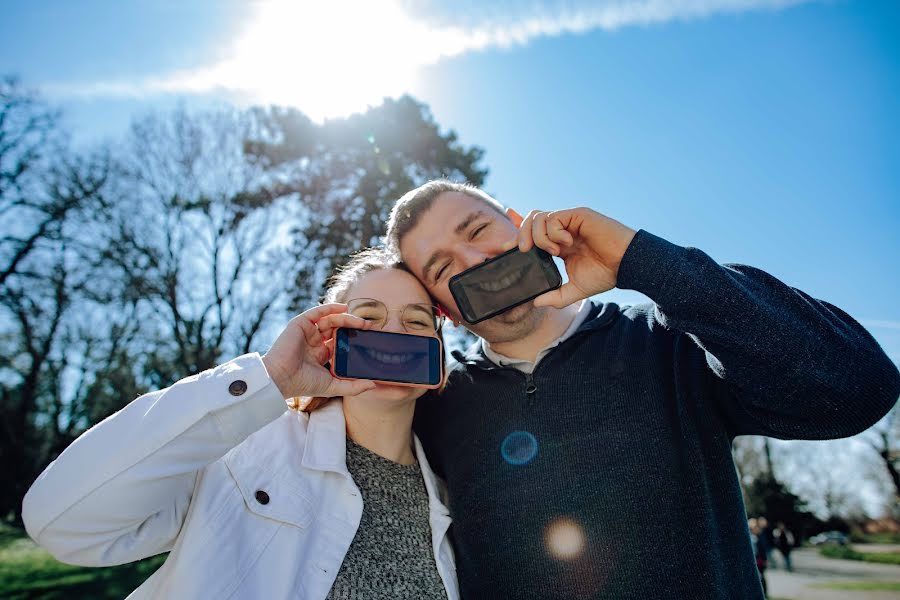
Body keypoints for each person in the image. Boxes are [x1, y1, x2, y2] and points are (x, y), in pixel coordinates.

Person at [386, 179, 900, 599]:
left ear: (522, 225)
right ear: (444, 310)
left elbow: (860, 388)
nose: (474, 261)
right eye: (443, 267)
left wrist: (643, 262)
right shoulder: (432, 407)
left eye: (477, 230)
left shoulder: (673, 342)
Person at [22, 248, 459, 600]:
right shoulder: (240, 451)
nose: (395, 334)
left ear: (438, 354)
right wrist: (271, 378)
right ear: (330, 337)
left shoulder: (455, 493)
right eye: (367, 317)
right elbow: (60, 522)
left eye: (417, 321)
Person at [749, 518, 769, 597]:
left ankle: (764, 593)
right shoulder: (751, 537)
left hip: (760, 561)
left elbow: (763, 550)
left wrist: (765, 560)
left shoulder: (760, 537)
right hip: (755, 561)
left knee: (762, 578)